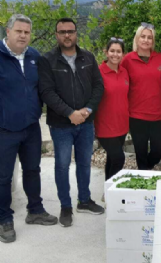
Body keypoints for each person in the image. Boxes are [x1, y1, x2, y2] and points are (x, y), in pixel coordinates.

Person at [38, 17, 105, 227]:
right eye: (62, 32)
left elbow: (98, 86)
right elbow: (47, 92)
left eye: (70, 31)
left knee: (85, 164)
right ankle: (65, 206)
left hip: (86, 122)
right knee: (62, 165)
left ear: (76, 33)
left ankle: (83, 200)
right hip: (61, 125)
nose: (67, 35)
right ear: (56, 35)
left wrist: (87, 110)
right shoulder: (47, 60)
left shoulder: (88, 57)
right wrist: (70, 113)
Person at [0, 14, 58, 243]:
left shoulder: (34, 56)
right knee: (3, 177)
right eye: (19, 31)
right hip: (4, 129)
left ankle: (35, 210)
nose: (23, 35)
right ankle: (4, 219)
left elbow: (42, 88)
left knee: (33, 170)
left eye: (27, 32)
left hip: (31, 127)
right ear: (8, 31)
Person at [121, 23, 161, 170]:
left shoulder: (160, 59)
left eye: (149, 37)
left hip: (158, 115)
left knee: (159, 149)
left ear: (153, 41)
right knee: (141, 153)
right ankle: (144, 181)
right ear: (137, 39)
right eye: (143, 36)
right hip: (136, 116)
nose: (146, 40)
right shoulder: (128, 60)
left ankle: (146, 171)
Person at [94, 38, 129, 181]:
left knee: (112, 159)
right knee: (119, 158)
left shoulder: (124, 72)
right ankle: (112, 188)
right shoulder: (98, 73)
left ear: (123, 54)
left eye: (118, 51)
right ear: (106, 53)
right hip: (105, 126)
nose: (115, 54)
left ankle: (107, 189)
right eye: (112, 51)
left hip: (122, 124)